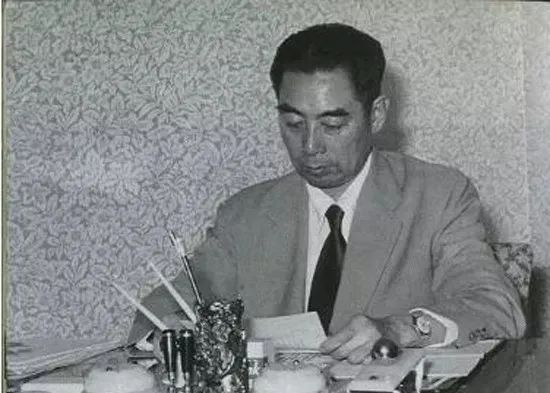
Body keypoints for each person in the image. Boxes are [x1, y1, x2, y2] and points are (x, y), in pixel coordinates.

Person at [129, 23, 525, 363]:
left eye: (332, 125)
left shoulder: (437, 196)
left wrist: (399, 328)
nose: (310, 146)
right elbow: (163, 308)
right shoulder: (244, 215)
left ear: (376, 115)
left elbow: (497, 308)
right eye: (293, 123)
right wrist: (168, 334)